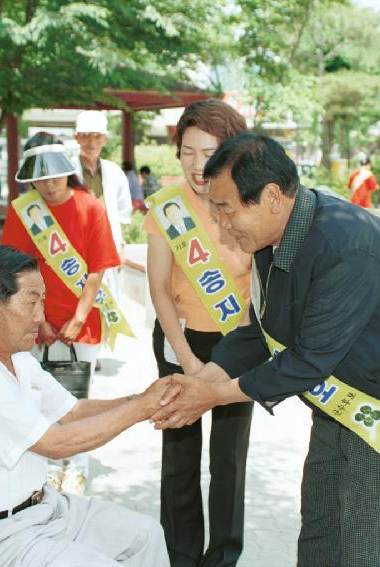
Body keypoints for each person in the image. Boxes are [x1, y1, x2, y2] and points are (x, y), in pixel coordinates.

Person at [152, 133, 380, 567]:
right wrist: (201, 380)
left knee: (365, 543)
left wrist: (212, 396)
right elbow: (262, 333)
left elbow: (309, 359)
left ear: (271, 196)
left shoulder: (348, 244)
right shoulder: (272, 240)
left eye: (227, 209)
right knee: (321, 526)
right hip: (340, 399)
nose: (221, 225)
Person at [0, 244, 170, 567]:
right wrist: (142, 408)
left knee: (146, 536)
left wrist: (144, 398)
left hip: (42, 511)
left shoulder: (15, 355)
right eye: (31, 302)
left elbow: (71, 411)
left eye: (42, 301)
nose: (41, 316)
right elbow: (57, 443)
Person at [142, 99, 252, 567]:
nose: (196, 163)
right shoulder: (167, 207)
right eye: (186, 151)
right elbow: (159, 291)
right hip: (179, 341)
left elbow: (262, 284)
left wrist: (226, 363)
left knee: (228, 461)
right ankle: (180, 555)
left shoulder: (250, 198)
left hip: (237, 343)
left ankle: (222, 557)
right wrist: (188, 364)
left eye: (207, 150)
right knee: (180, 455)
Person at [1, 132, 129, 495]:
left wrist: (78, 317)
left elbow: (96, 268)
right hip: (32, 322)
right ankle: (47, 466)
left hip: (81, 323)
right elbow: (15, 268)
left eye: (55, 174)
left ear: (67, 169)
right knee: (36, 396)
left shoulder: (91, 207)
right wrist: (37, 320)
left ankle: (77, 466)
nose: (49, 183)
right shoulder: (23, 210)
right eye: (40, 177)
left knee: (77, 400)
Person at [73, 110, 132, 261]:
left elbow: (123, 215)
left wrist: (121, 247)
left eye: (97, 136)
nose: (91, 143)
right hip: (73, 251)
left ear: (105, 139)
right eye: (85, 136)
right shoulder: (67, 172)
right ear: (77, 138)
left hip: (108, 248)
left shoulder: (115, 172)